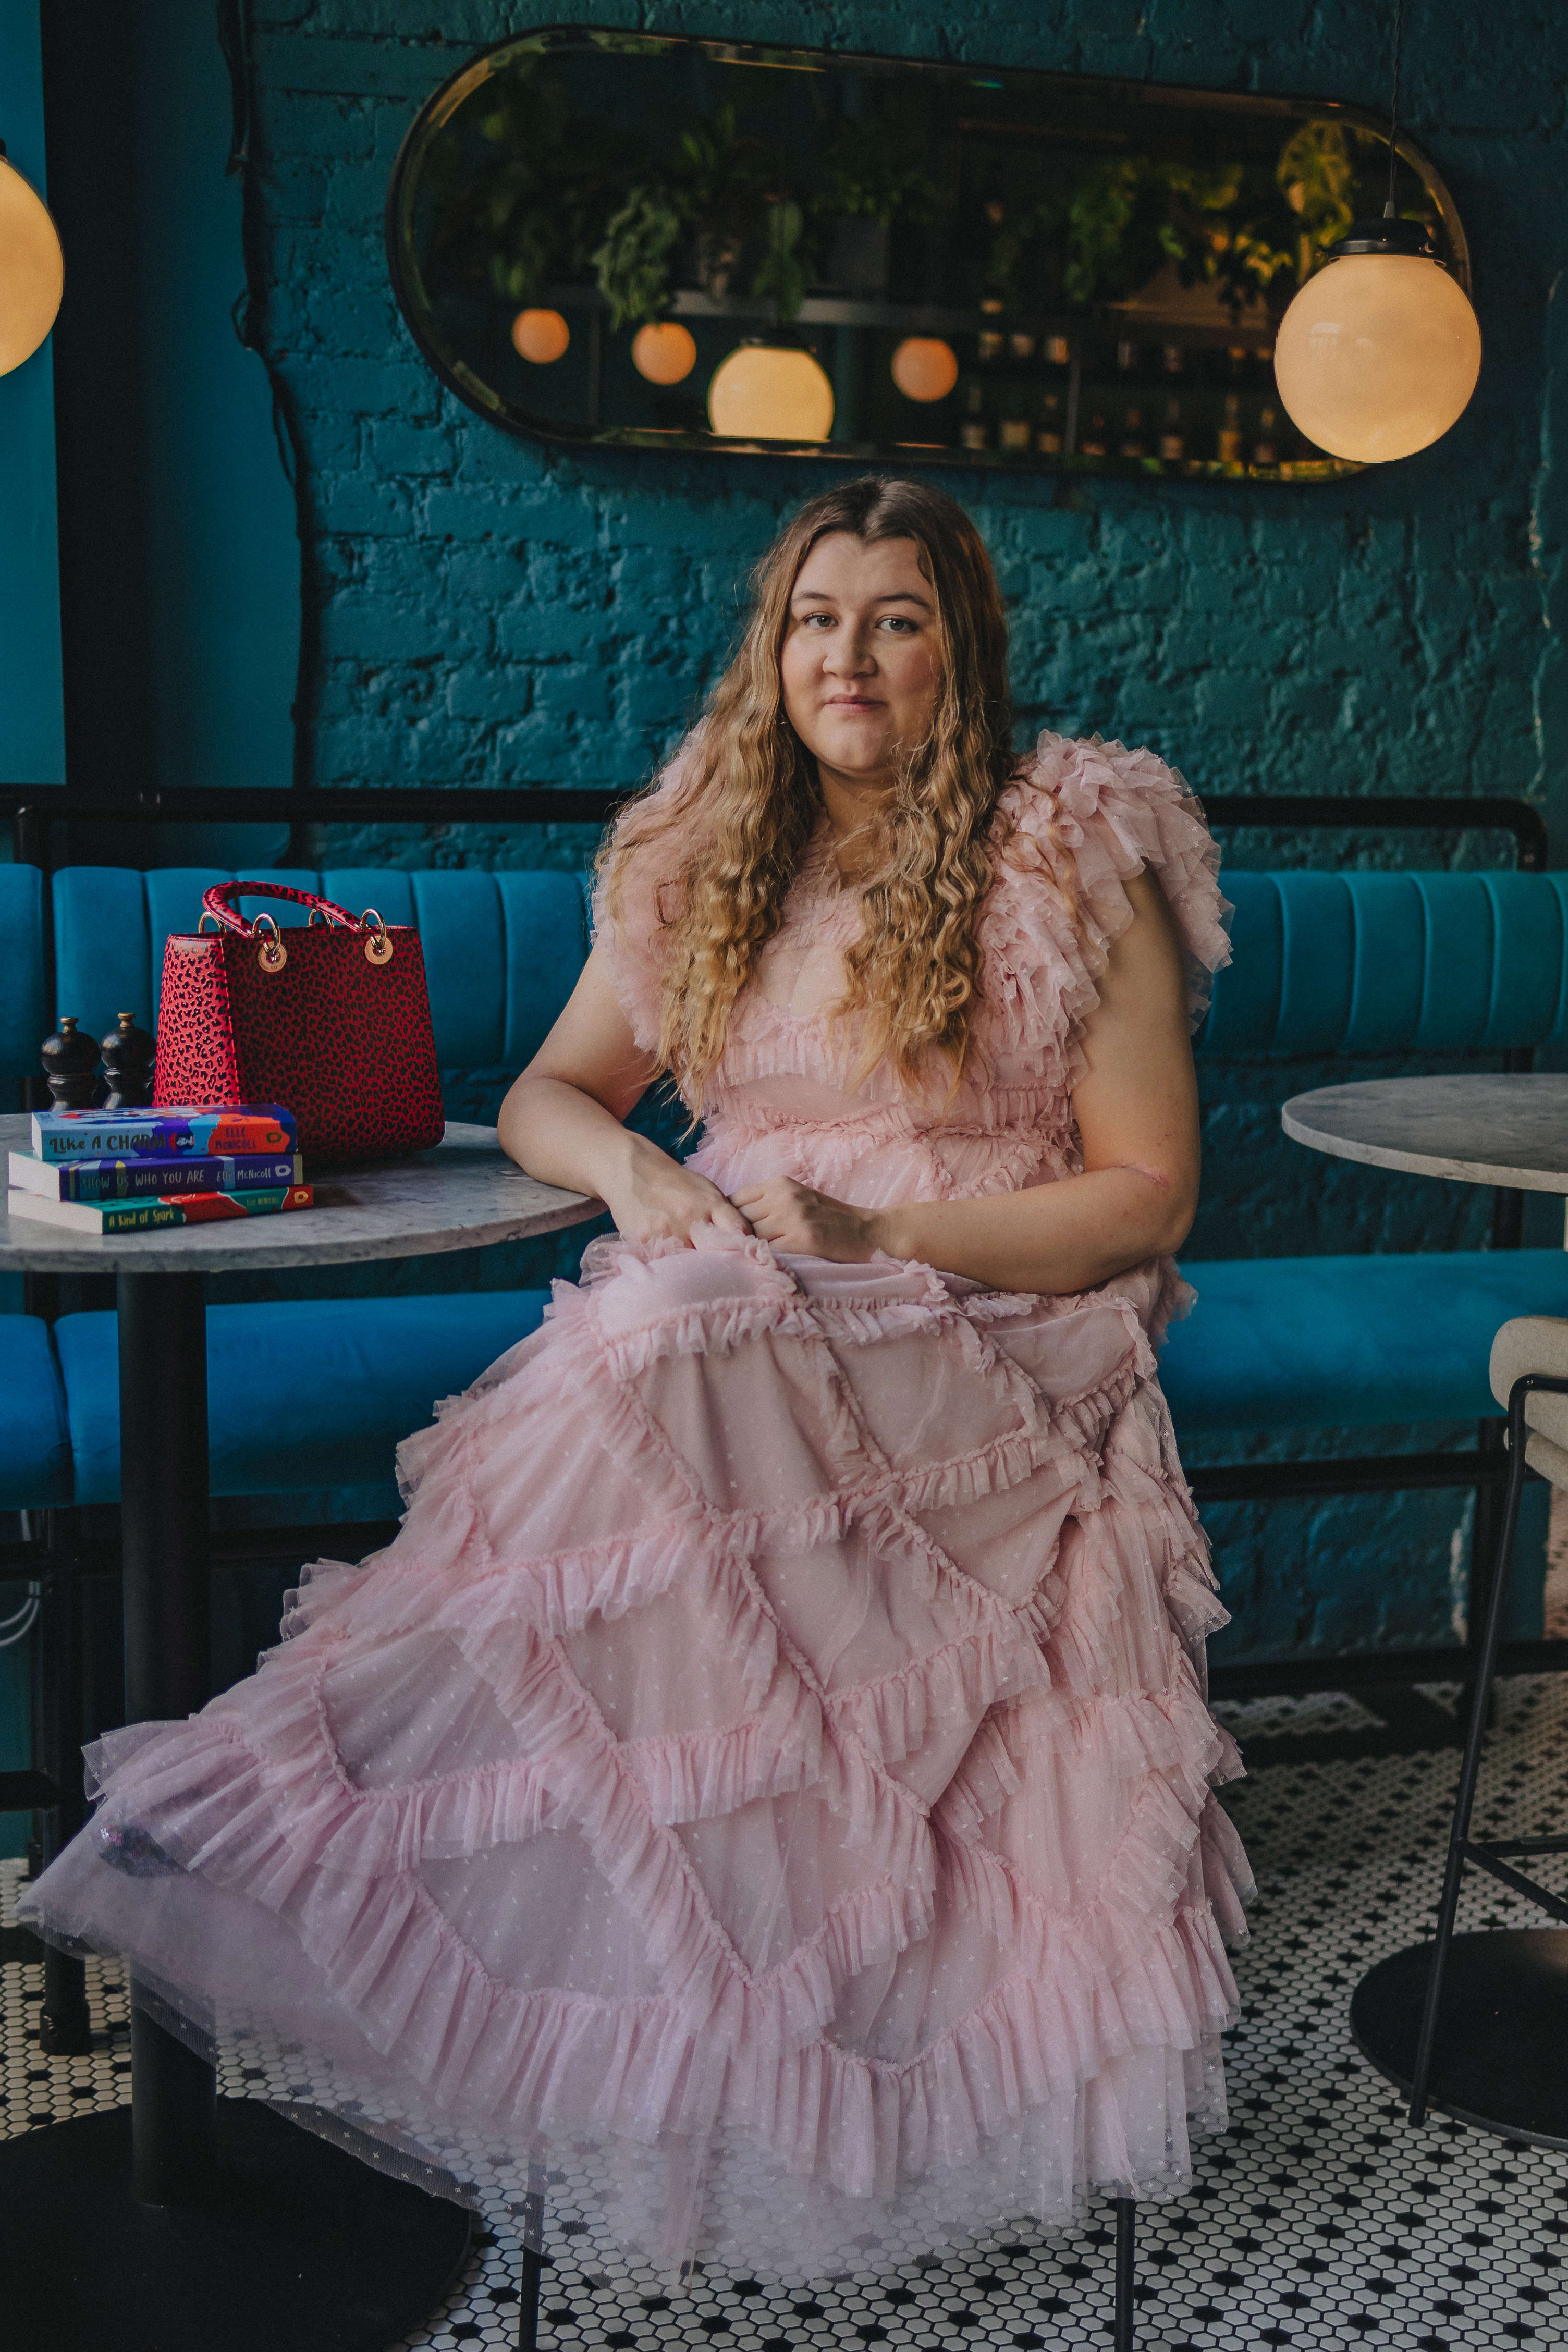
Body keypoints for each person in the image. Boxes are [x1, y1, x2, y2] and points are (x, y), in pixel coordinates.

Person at [22, 476, 1249, 2278]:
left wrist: (868, 1234)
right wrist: (642, 1176)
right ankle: (401, 1847)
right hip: (751, 1290)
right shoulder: (707, 842)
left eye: (898, 618)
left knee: (664, 1334)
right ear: (776, 647)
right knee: (664, 1324)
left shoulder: (1071, 846)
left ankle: (317, 1796)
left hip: (995, 1308)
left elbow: (1149, 1196)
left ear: (960, 652)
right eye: (818, 617)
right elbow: (543, 1098)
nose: (852, 654)